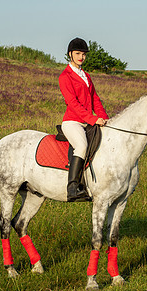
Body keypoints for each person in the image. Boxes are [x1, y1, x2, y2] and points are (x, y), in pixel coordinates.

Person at [59, 37, 109, 201]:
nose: (81, 57)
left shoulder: (86, 76)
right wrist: (93, 119)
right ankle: (72, 187)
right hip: (72, 121)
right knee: (81, 146)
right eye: (78, 53)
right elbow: (72, 103)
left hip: (87, 121)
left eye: (84, 54)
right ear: (70, 54)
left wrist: (104, 118)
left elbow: (95, 99)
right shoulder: (65, 76)